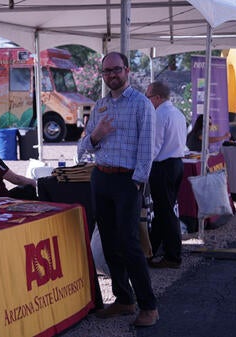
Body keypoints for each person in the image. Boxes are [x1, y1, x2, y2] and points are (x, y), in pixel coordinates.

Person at [77, 52, 158, 327]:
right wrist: (96, 135)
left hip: (126, 182)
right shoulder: (100, 105)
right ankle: (125, 299)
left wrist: (137, 182)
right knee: (109, 244)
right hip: (101, 178)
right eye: (106, 71)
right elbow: (82, 149)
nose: (111, 75)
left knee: (129, 244)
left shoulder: (141, 105)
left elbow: (148, 149)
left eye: (116, 70)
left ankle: (149, 306)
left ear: (127, 70)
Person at [145, 81, 187, 269]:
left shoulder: (159, 114)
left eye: (148, 97)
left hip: (163, 166)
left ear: (157, 97)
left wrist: (143, 167)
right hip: (176, 163)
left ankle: (173, 255)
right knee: (165, 211)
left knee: (166, 212)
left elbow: (154, 146)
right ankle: (153, 249)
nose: (147, 101)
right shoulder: (177, 113)